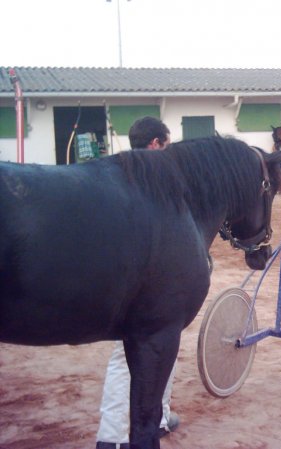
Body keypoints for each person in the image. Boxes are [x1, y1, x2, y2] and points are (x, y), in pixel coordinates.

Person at [96, 117, 177, 449]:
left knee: (164, 348)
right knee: (127, 355)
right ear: (156, 144)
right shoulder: (156, 181)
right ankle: (112, 436)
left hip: (148, 280)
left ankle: (160, 415)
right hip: (144, 285)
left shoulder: (122, 175)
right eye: (167, 144)